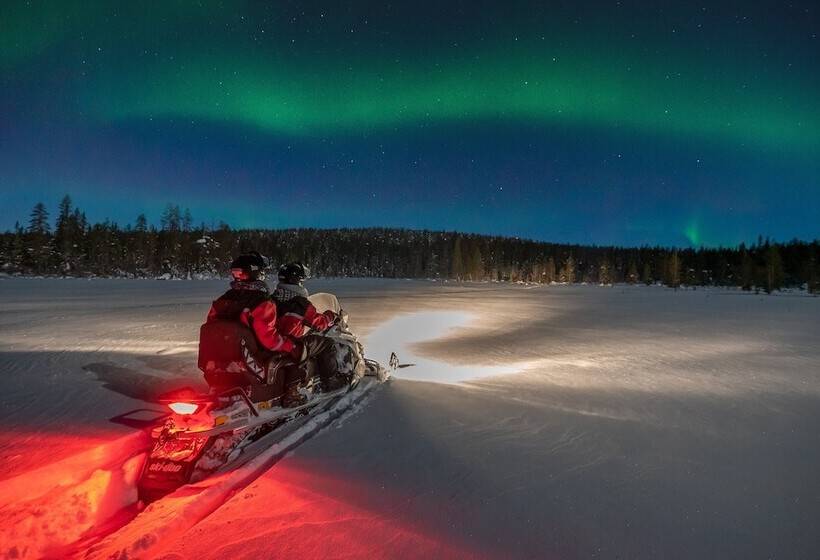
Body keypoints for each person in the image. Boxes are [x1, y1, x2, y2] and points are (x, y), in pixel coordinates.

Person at [200, 252, 304, 406]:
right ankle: (291, 395)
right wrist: (290, 345)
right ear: (257, 273)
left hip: (217, 361)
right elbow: (269, 339)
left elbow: (212, 325)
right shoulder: (261, 301)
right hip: (251, 360)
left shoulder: (224, 299)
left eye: (238, 273)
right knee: (296, 356)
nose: (237, 276)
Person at [271, 262, 343, 403]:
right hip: (292, 342)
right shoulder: (301, 304)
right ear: (296, 280)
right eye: (301, 280)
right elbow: (319, 322)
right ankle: (330, 381)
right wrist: (331, 317)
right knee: (327, 344)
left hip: (274, 341)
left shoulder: (272, 299)